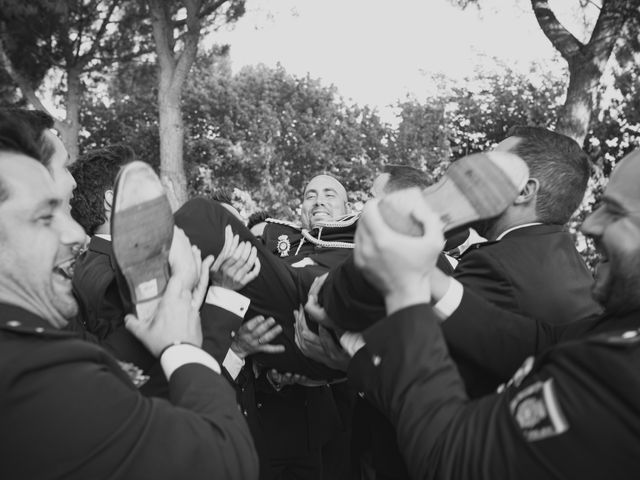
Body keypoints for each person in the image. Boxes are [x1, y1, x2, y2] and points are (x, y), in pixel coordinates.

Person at [344, 148, 640, 480]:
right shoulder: (625, 320)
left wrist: (404, 292)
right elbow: (543, 341)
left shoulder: (623, 372)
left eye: (615, 212)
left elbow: (451, 457)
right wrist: (428, 277)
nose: (589, 223)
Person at [0, 113, 258, 479]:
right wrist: (182, 346)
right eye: (45, 216)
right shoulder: (32, 377)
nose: (77, 234)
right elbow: (223, 459)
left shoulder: (35, 350)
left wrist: (160, 317)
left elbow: (120, 397)